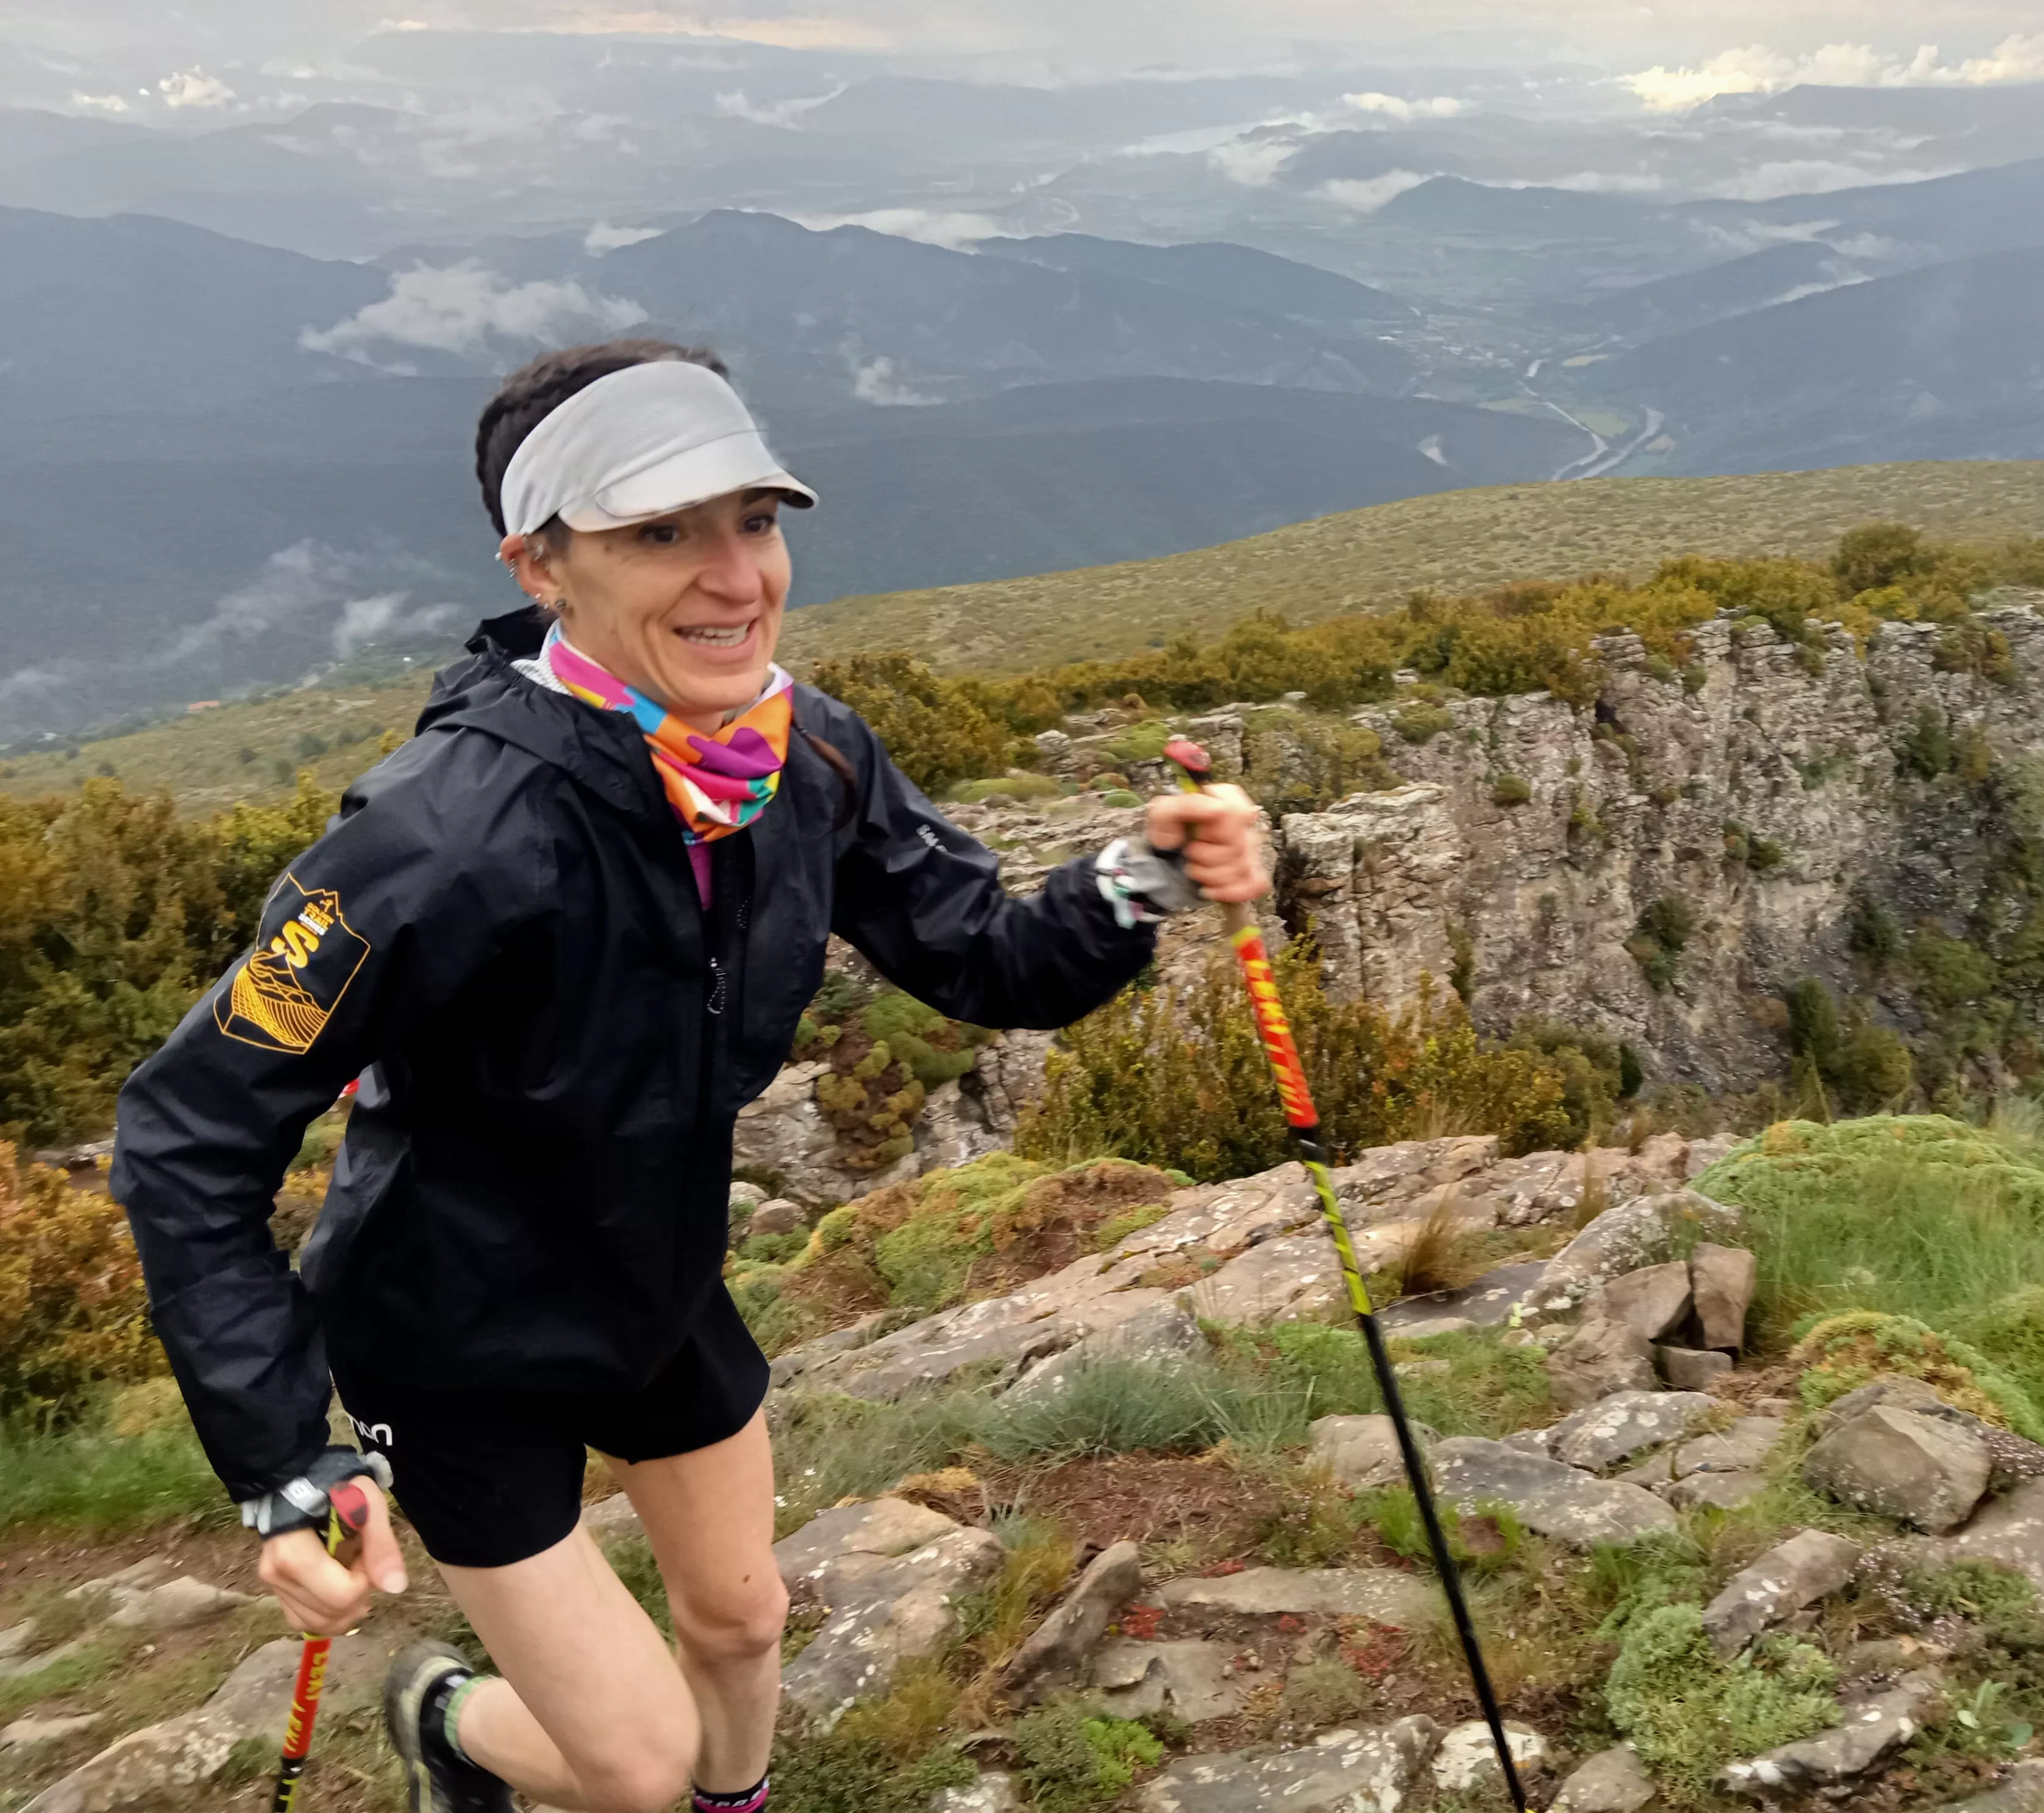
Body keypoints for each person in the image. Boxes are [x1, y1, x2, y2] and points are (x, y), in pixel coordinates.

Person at [112, 338, 1269, 1813]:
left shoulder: (804, 757)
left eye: (754, 521)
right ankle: (449, 1720)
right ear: (541, 565)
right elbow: (191, 1126)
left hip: (652, 1278)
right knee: (640, 1764)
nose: (736, 578)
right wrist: (280, 1458)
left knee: (743, 1622)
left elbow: (985, 958)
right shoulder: (442, 836)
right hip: (453, 1340)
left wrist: (1138, 879)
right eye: (661, 532)